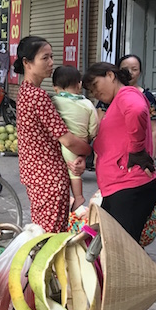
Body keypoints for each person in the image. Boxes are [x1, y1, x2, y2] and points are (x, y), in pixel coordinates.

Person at [82, 61, 156, 310]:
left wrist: (137, 149)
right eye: (90, 90)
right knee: (120, 254)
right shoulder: (117, 101)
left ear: (110, 75)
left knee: (121, 257)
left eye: (96, 85)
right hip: (121, 188)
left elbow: (140, 112)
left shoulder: (127, 95)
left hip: (130, 189)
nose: (95, 92)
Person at [14, 36, 92, 233]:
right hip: (48, 177)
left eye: (52, 57)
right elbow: (66, 139)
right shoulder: (38, 96)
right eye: (45, 58)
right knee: (50, 237)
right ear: (27, 63)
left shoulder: (25, 91)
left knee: (41, 233)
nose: (51, 63)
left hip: (34, 173)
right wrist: (89, 149)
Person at [52, 65, 99, 213]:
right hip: (83, 140)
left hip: (68, 142)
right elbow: (95, 126)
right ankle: (77, 196)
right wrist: (89, 136)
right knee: (75, 170)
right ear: (79, 84)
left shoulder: (55, 102)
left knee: (73, 171)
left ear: (55, 87)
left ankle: (78, 197)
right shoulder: (87, 103)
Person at [118, 54, 156, 156]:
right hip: (115, 150)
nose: (130, 73)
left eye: (134, 69)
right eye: (125, 69)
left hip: (139, 152)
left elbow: (153, 129)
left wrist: (151, 157)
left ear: (140, 72)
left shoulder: (147, 97)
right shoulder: (110, 95)